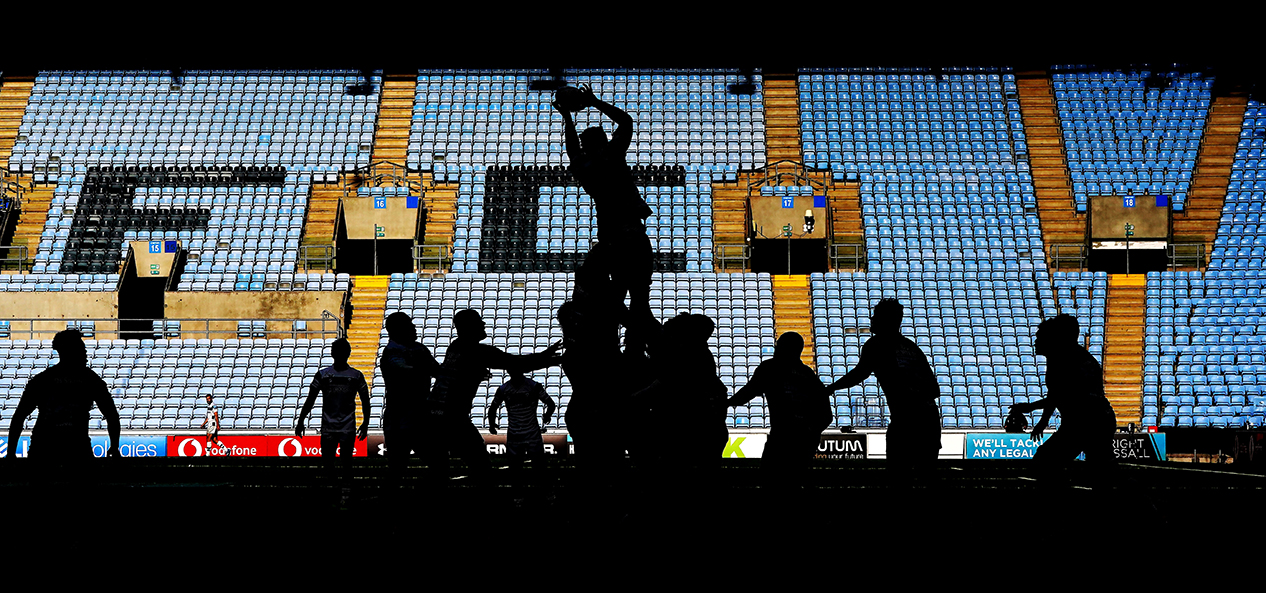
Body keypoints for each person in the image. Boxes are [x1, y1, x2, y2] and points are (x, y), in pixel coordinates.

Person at [555, 85, 655, 348]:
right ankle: (638, 348)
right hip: (633, 235)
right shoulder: (612, 155)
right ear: (602, 142)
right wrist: (595, 102)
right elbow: (626, 121)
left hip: (610, 238)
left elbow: (571, 149)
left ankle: (612, 346)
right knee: (640, 298)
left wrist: (567, 118)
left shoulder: (583, 167)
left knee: (616, 296)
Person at [429, 309, 562, 478]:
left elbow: (459, 372)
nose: (483, 324)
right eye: (479, 322)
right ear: (470, 327)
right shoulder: (476, 351)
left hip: (433, 415)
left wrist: (474, 373)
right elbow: (517, 365)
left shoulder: (456, 346)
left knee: (441, 469)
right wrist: (552, 358)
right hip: (452, 417)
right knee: (481, 467)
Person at [826, 299, 942, 471]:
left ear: (885, 320)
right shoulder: (912, 348)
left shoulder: (876, 345)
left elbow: (860, 373)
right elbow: (934, 389)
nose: (872, 320)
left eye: (876, 317)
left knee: (898, 472)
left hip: (906, 420)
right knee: (927, 471)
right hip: (930, 419)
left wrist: (831, 388)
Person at [1008, 314, 1116, 485]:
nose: (1036, 341)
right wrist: (1041, 419)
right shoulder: (1078, 357)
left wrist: (1033, 409)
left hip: (1084, 422)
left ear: (1053, 338)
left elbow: (1060, 394)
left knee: (1045, 462)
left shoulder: (1062, 359)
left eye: (1040, 337)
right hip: (1096, 419)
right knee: (1102, 474)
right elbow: (1058, 394)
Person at [6, 329, 120, 461]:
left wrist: (10, 454)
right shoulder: (91, 380)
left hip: (44, 449)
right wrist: (114, 447)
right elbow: (112, 415)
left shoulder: (42, 380)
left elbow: (19, 417)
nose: (85, 353)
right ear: (70, 352)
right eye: (81, 349)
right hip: (76, 450)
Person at [729, 332, 832, 475]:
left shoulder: (770, 368)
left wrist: (726, 403)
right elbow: (826, 414)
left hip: (781, 438)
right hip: (805, 440)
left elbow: (748, 392)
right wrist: (811, 432)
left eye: (779, 346)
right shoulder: (808, 374)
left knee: (772, 478)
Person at [378, 311, 442, 477]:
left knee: (437, 461)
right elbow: (408, 372)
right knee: (399, 466)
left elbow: (437, 371)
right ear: (398, 329)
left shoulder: (419, 349)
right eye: (409, 325)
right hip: (400, 417)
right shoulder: (392, 353)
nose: (414, 328)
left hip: (418, 415)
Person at [295, 338, 371, 472]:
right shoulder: (329, 375)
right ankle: (340, 489)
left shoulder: (352, 376)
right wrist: (365, 423)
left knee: (339, 463)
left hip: (338, 427)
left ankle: (340, 489)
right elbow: (365, 401)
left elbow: (310, 400)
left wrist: (301, 421)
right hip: (338, 427)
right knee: (338, 463)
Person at [487, 370, 555, 469]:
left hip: (515, 435)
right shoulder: (534, 386)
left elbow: (493, 408)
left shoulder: (503, 389)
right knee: (539, 468)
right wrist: (547, 416)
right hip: (532, 434)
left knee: (516, 470)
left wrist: (492, 425)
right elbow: (551, 404)